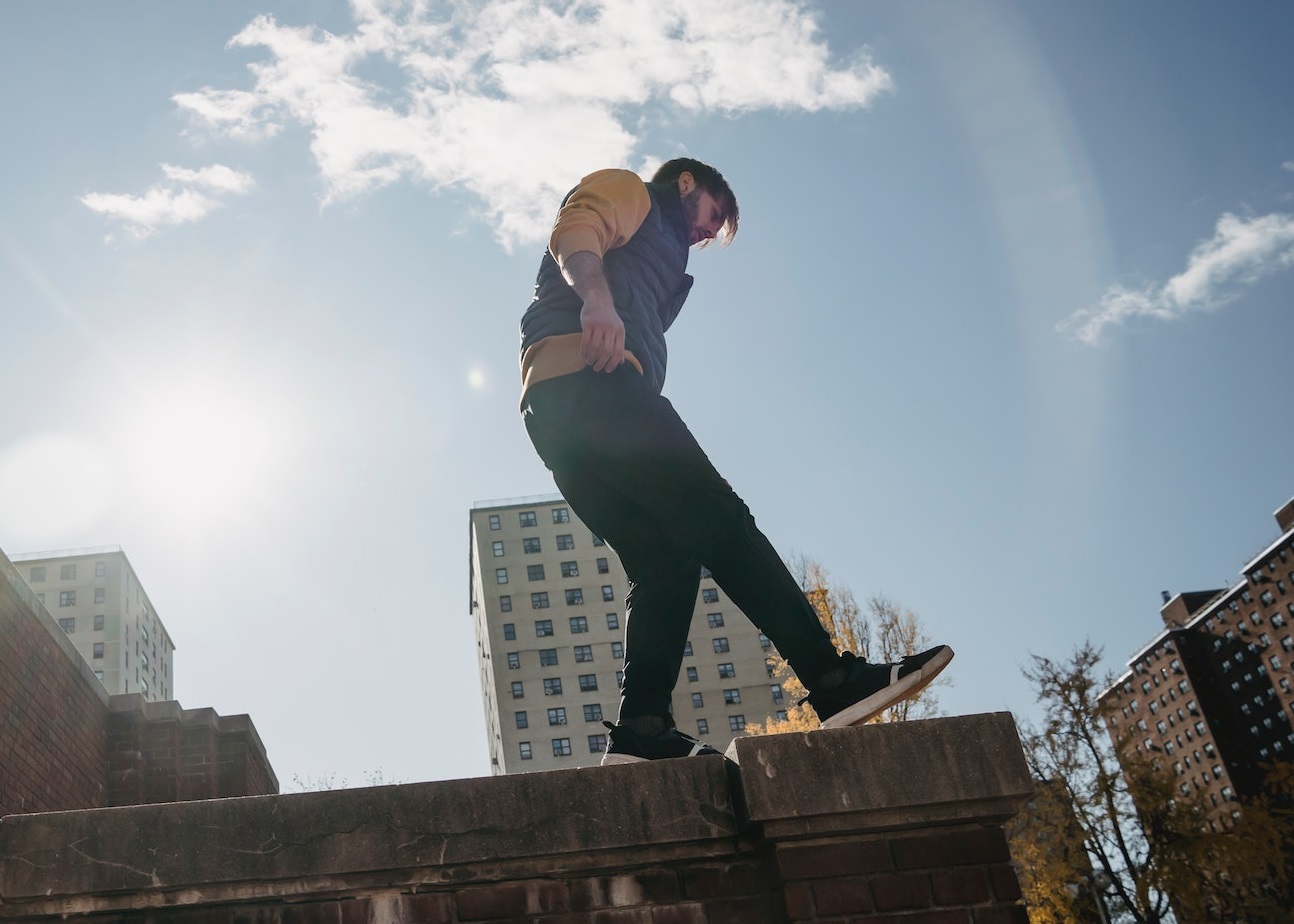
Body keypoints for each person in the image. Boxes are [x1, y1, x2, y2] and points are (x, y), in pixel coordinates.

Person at [519, 157, 952, 764]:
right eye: (713, 216)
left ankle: (642, 728)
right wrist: (595, 300)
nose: (708, 233)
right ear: (688, 184)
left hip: (560, 417)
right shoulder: (632, 191)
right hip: (594, 386)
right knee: (721, 521)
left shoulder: (669, 263)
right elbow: (576, 230)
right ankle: (832, 680)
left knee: (665, 560)